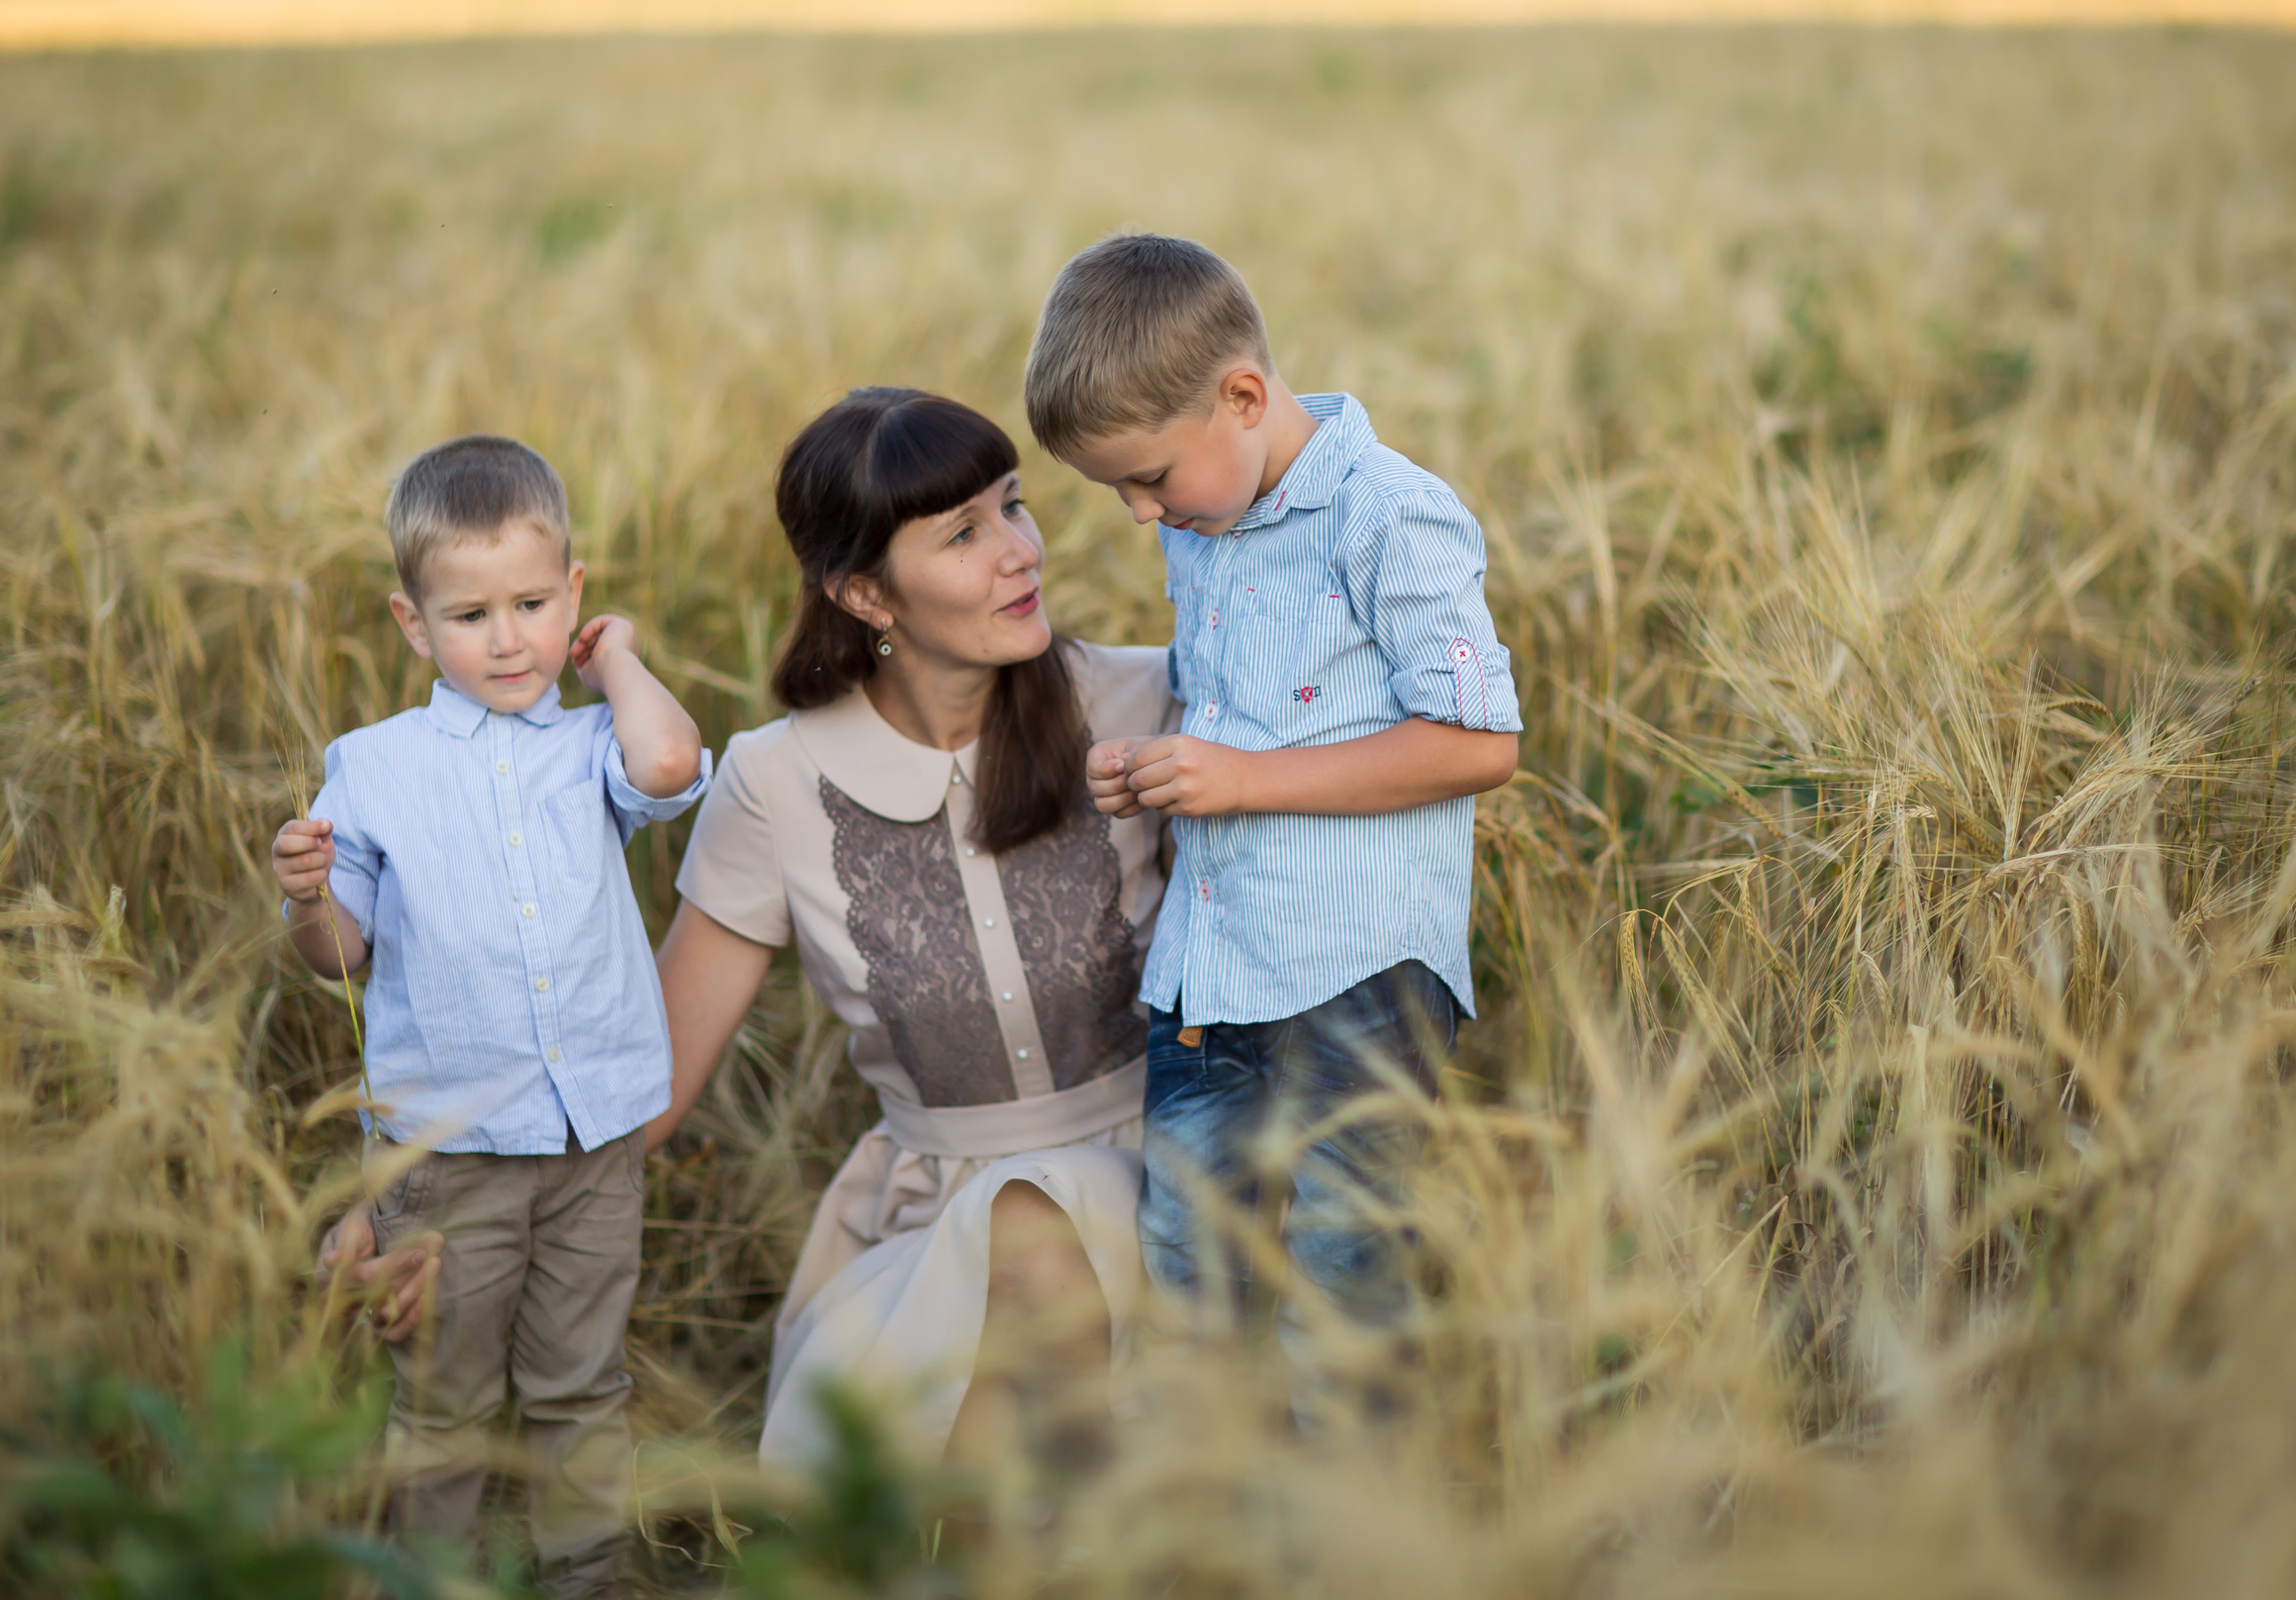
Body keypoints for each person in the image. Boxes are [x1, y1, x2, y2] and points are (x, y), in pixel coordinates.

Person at [646, 388, 1178, 1476]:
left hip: (1166, 1190)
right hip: (926, 1236)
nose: (1020, 552)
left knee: (1036, 1226)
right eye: (965, 534)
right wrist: (427, 1210)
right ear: (863, 594)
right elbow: (646, 1082)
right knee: (1011, 1243)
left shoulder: (1147, 699)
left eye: (1014, 507)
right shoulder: (774, 782)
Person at [1025, 233, 1521, 1374]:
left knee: (1344, 1273)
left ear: (1242, 396)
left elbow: (1478, 743)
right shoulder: (1210, 518)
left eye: (1147, 478)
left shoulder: (1388, 515)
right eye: (1112, 491)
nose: (1139, 517)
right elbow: (1239, 704)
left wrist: (1243, 781)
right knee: (1186, 1266)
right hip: (1211, 971)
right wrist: (1162, 762)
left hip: (1361, 973)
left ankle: (1341, 1540)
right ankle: (1202, 1527)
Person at [277, 434, 709, 1599]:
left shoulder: (590, 745)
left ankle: (589, 1576)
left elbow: (671, 764)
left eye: (532, 603)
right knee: (449, 1398)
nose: (508, 638)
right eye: (469, 614)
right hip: (451, 1154)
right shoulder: (371, 770)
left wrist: (614, 658)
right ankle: (433, 1578)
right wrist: (307, 894)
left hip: (592, 1138)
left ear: (572, 595)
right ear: (413, 624)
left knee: (580, 1383)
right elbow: (340, 959)